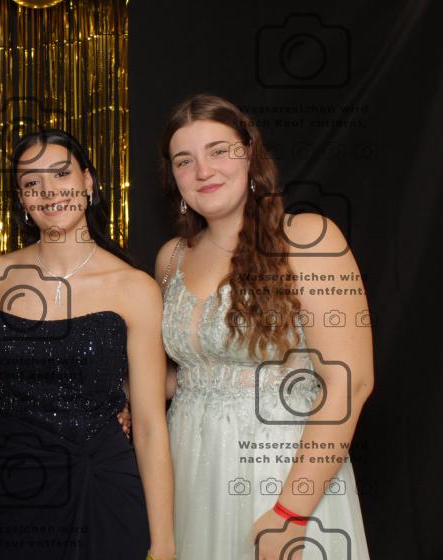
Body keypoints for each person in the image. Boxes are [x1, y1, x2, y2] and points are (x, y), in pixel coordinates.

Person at [155, 94, 373, 560]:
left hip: (280, 473)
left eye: (219, 150)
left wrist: (291, 512)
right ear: (173, 176)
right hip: (189, 468)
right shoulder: (171, 258)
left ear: (249, 152)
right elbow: (185, 376)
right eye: (184, 160)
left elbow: (350, 384)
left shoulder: (309, 239)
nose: (203, 170)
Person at [0, 129, 176, 560]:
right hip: (19, 488)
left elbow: (149, 426)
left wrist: (164, 545)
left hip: (103, 485)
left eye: (61, 174)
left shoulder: (135, 287)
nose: (49, 191)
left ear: (88, 181)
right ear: (21, 198)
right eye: (32, 182)